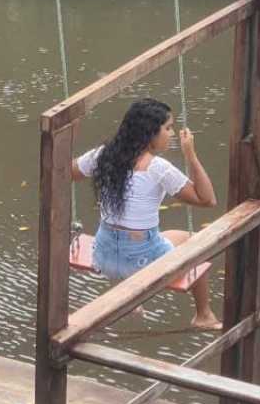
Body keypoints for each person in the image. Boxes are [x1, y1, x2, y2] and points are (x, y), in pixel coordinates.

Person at [71, 97, 222, 330]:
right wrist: (190, 155)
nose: (172, 134)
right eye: (168, 128)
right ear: (150, 133)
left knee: (163, 235)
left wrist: (70, 135)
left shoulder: (103, 155)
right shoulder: (157, 168)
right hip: (142, 262)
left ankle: (132, 300)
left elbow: (67, 171)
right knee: (194, 241)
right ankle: (203, 314)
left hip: (104, 257)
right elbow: (208, 199)